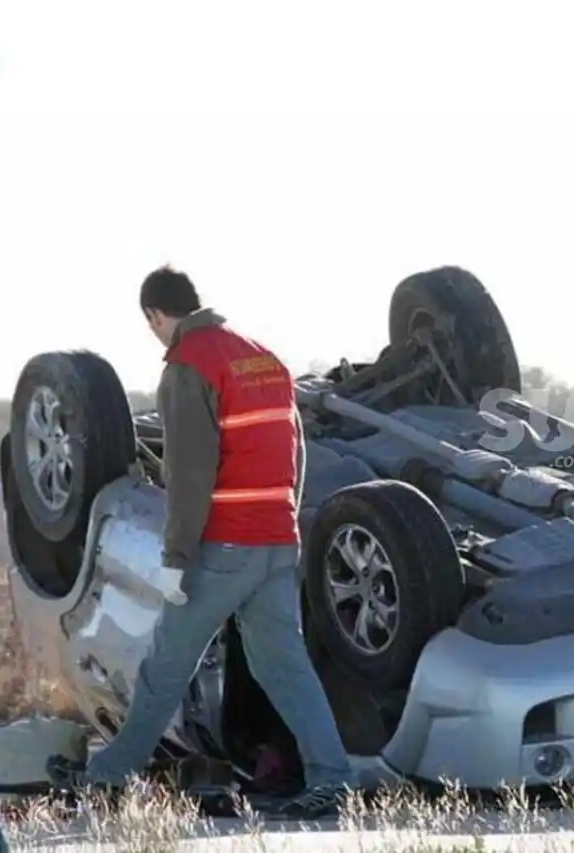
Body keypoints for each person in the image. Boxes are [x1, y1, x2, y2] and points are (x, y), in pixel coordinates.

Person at [47, 266, 356, 818]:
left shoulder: (189, 366)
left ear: (156, 315)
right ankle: (334, 779)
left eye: (151, 325)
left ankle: (106, 779)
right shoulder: (264, 357)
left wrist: (176, 557)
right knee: (284, 666)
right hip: (277, 541)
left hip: (225, 547)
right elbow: (295, 451)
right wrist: (284, 519)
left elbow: (189, 474)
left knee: (166, 666)